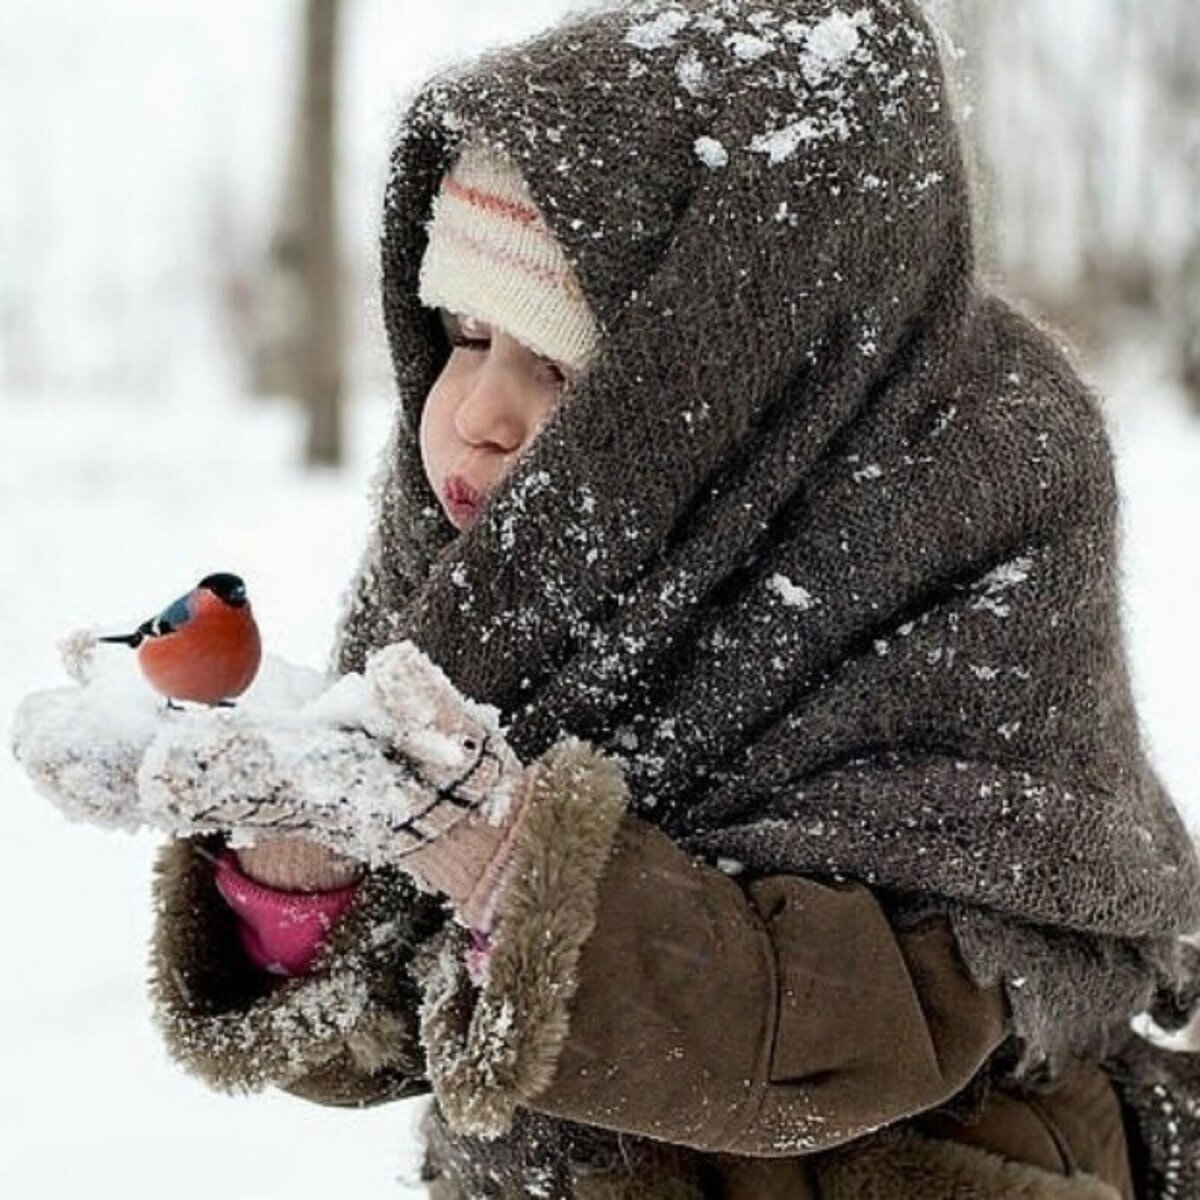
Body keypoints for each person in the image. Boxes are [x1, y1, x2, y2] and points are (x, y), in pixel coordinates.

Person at [147, 2, 1200, 1197]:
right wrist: (309, 877)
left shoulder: (961, 517)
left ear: (728, 377)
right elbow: (399, 1034)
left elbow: (865, 1034)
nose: (479, 411)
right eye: (462, 334)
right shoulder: (500, 578)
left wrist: (511, 873)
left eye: (554, 364)